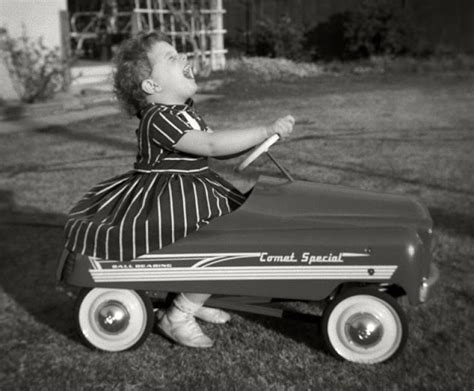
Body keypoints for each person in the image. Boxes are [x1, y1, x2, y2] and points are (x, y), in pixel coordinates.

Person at [64, 31, 295, 348]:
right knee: (219, 242)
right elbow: (211, 144)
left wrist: (259, 141)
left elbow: (216, 146)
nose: (185, 58)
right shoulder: (159, 118)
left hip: (194, 185)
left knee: (223, 234)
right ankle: (179, 314)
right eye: (172, 58)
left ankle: (193, 297)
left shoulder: (184, 110)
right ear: (152, 86)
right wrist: (264, 129)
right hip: (169, 194)